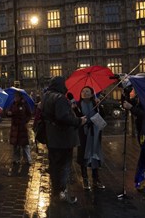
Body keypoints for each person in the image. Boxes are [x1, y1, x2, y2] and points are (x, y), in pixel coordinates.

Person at [41, 76, 87, 204]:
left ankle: (56, 192)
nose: (66, 87)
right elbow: (62, 117)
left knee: (55, 165)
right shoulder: (60, 98)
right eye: (64, 84)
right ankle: (62, 193)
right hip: (63, 138)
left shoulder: (46, 96)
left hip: (52, 137)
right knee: (64, 166)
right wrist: (79, 121)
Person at [72, 86, 105, 190]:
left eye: (87, 91)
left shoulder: (96, 103)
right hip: (83, 133)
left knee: (95, 154)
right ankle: (85, 178)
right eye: (83, 91)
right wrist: (75, 111)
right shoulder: (77, 105)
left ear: (92, 94)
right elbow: (77, 119)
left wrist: (100, 106)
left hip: (95, 133)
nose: (85, 93)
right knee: (83, 155)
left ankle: (96, 179)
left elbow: (102, 117)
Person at [7, 92, 32, 165]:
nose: (15, 98)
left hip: (22, 127)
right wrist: (8, 113)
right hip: (15, 126)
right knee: (15, 144)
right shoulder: (13, 104)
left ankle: (28, 160)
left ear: (20, 97)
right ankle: (16, 159)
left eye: (17, 96)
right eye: (15, 96)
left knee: (24, 144)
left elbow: (29, 114)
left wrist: (25, 121)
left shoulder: (24, 104)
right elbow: (8, 112)